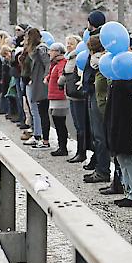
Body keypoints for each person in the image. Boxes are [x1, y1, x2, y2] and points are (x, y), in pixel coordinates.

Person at [104, 40, 132, 207]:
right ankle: (129, 190)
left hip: (128, 123)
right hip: (116, 122)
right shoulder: (117, 76)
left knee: (130, 160)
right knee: (122, 160)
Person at [83, 11, 112, 183]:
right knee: (97, 134)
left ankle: (102, 170)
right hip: (93, 90)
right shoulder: (100, 37)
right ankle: (99, 165)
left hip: (98, 92)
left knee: (100, 135)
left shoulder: (99, 40)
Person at [60, 34, 87, 163]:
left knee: (80, 125)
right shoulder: (69, 58)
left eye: (71, 43)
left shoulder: (77, 58)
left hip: (78, 94)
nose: (68, 45)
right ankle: (79, 151)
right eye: (67, 43)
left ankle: (81, 152)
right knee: (77, 125)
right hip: (71, 93)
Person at [26, 28, 51, 150]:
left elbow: (47, 64)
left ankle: (44, 139)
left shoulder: (41, 49)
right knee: (40, 111)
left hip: (41, 84)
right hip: (38, 82)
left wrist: (46, 77)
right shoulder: (38, 49)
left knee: (42, 112)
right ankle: (41, 137)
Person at [46, 42, 69, 156]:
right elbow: (52, 75)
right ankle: (61, 146)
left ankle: (63, 147)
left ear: (57, 52)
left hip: (59, 97)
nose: (49, 52)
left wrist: (59, 81)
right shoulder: (55, 63)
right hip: (54, 97)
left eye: (51, 50)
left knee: (59, 122)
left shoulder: (61, 63)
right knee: (57, 121)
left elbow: (61, 76)